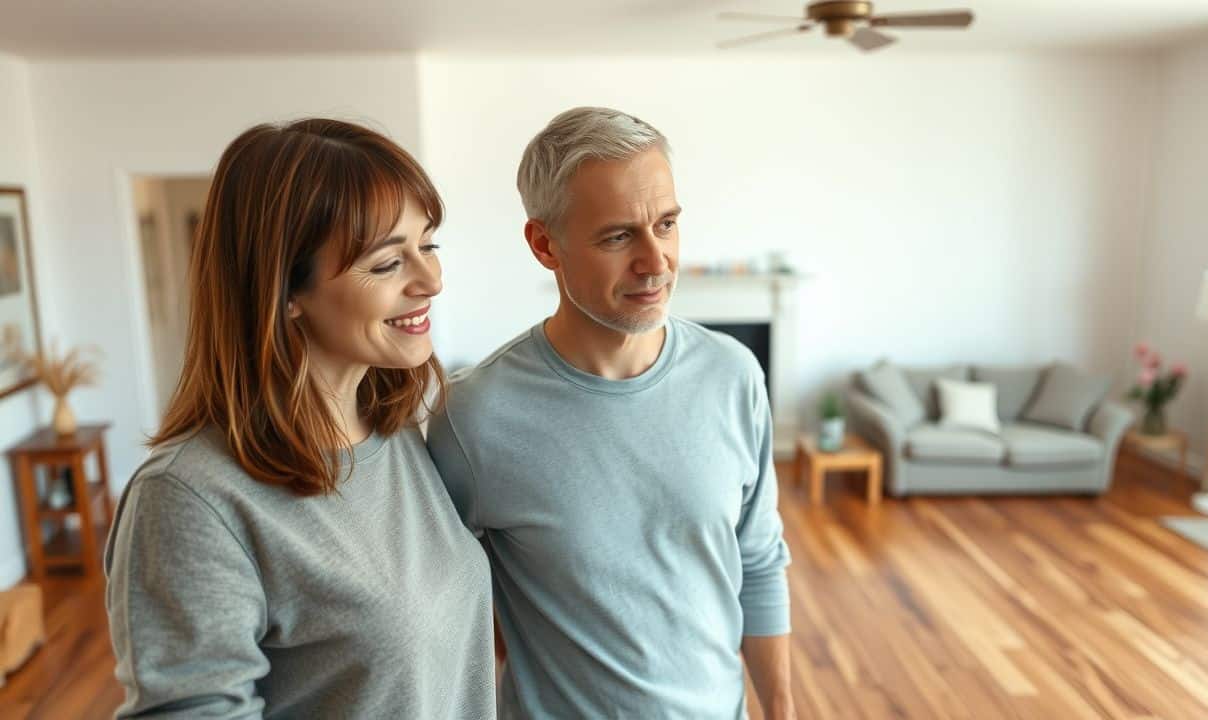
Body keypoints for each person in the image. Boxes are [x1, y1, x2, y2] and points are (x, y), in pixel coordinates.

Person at [105, 119, 495, 719]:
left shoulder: (398, 436)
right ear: (285, 289)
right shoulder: (189, 498)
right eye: (388, 263)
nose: (431, 280)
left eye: (429, 245)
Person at [428, 107, 794, 719]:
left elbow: (758, 561)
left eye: (667, 224)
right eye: (619, 236)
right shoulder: (476, 420)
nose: (656, 261)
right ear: (546, 245)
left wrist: (780, 709)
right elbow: (436, 612)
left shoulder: (734, 376)